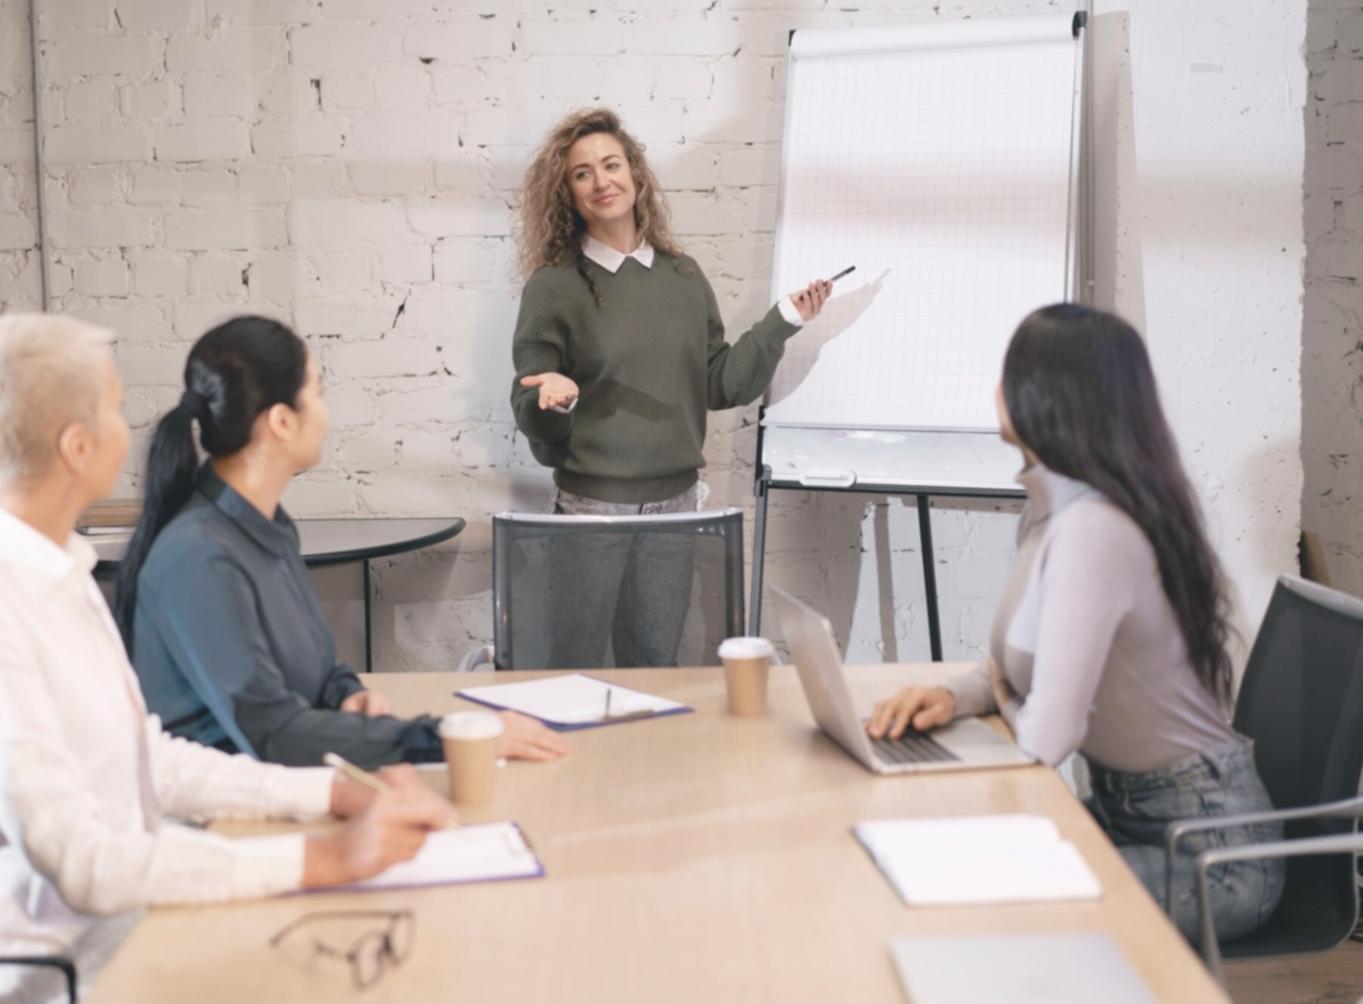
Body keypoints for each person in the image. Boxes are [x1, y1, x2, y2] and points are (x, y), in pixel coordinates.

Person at [0, 314, 454, 1004]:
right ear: (77, 446)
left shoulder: (56, 571)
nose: (133, 428)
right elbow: (84, 863)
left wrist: (333, 791)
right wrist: (321, 857)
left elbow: (146, 759)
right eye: (117, 407)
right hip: (28, 979)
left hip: (111, 936)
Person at [866, 304, 1284, 942]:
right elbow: (1023, 671)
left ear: (1050, 395)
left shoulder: (1093, 531)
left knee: (982, 908)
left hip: (1213, 854)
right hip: (1130, 818)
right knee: (942, 871)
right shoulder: (1051, 513)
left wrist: (1002, 695)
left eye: (1011, 371)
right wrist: (956, 696)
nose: (996, 388)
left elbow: (1042, 740)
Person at [115, 316, 570, 768]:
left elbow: (315, 668)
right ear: (281, 422)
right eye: (319, 393)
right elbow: (274, 735)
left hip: (283, 787)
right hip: (224, 815)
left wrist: (346, 695)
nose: (327, 415)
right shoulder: (198, 557)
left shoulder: (267, 525)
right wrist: (451, 739)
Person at [510, 107, 834, 667]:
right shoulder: (553, 288)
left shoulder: (683, 277)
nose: (600, 181)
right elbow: (530, 405)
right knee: (574, 662)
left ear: (635, 174)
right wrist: (552, 398)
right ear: (567, 192)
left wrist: (784, 319)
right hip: (591, 510)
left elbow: (719, 384)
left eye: (611, 164)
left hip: (675, 507)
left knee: (656, 663)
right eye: (581, 173)